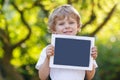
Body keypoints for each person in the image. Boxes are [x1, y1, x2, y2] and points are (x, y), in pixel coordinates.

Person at [35, 4, 98, 80]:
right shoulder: (48, 50)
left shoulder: (85, 48)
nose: (67, 26)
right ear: (54, 29)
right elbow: (42, 77)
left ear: (78, 26)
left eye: (71, 23)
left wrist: (90, 59)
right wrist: (48, 59)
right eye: (61, 24)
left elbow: (89, 76)